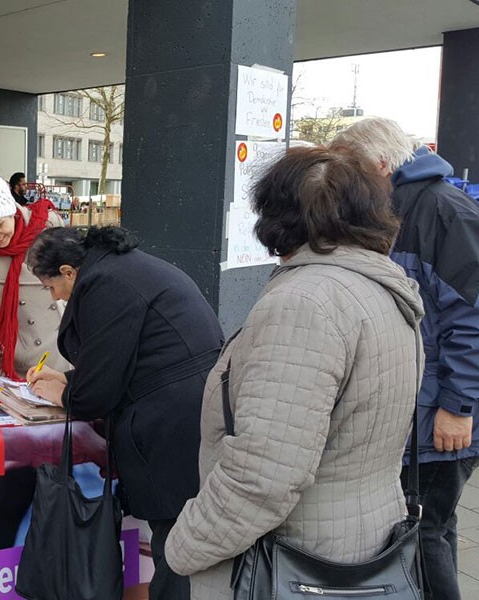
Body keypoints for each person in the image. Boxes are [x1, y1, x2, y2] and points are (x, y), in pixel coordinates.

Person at [164, 146, 424, 600]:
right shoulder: (383, 290)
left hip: (290, 561)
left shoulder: (305, 304)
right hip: (361, 545)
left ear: (277, 217)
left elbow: (264, 474)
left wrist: (186, 546)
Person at [25, 225, 224, 600]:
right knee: (185, 536)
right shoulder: (121, 269)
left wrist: (66, 395)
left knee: (176, 542)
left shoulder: (105, 284)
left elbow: (97, 391)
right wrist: (69, 379)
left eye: (50, 286)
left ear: (69, 271)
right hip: (188, 404)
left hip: (171, 420)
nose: (52, 296)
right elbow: (125, 356)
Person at [332, 117, 479, 600]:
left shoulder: (440, 209)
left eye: (350, 170)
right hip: (425, 403)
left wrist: (459, 407)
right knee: (430, 527)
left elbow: (472, 315)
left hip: (441, 410)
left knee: (421, 532)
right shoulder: (406, 206)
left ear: (379, 163)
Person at [0, 175, 69, 379]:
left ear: (12, 211)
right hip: (15, 364)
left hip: (68, 353)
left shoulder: (48, 224)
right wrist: (5, 345)